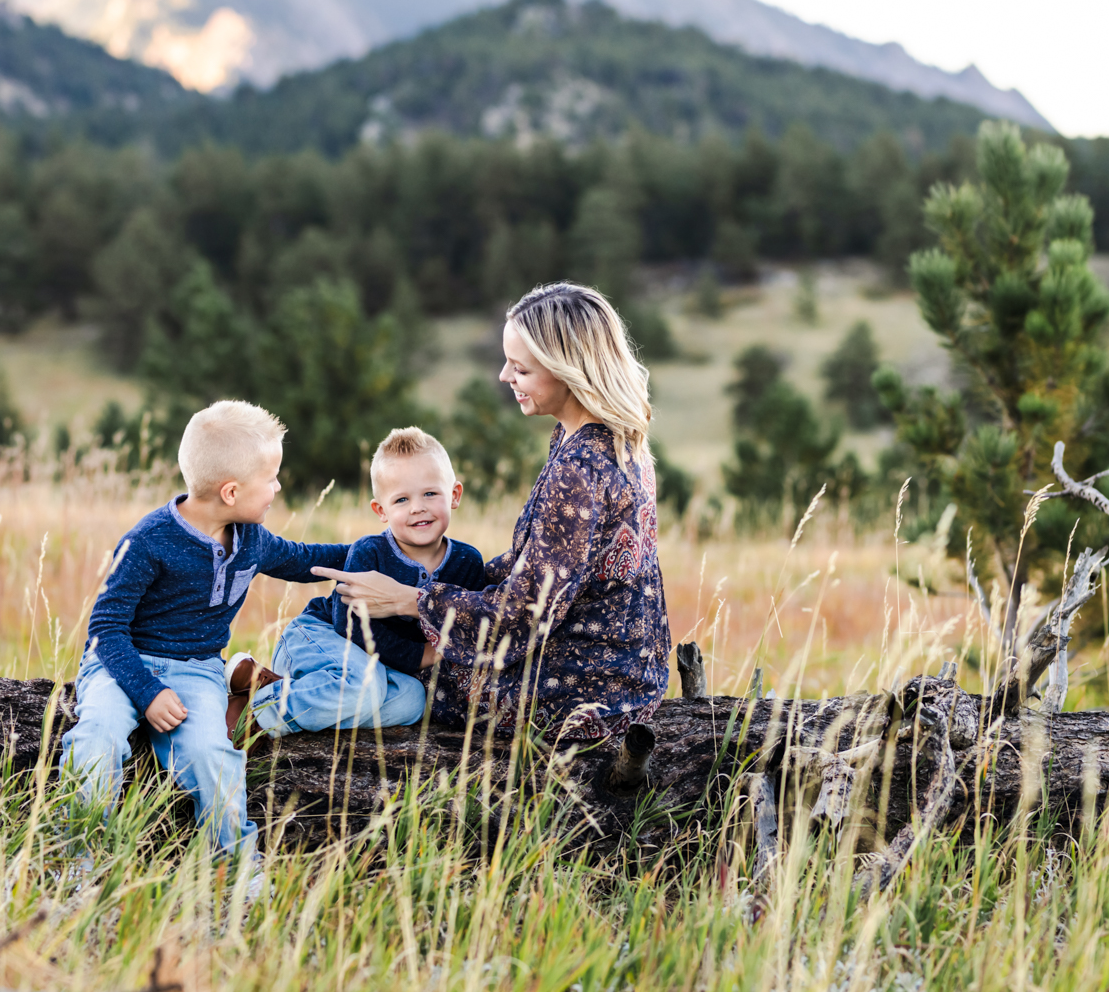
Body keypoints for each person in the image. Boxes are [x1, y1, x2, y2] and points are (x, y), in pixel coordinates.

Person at [314, 282, 669, 740]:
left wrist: (411, 599)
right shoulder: (616, 440)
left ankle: (266, 694)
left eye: (519, 367)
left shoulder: (578, 468)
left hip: (587, 687)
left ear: (568, 370)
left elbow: (524, 616)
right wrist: (452, 581)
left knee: (392, 667)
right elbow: (551, 565)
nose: (504, 376)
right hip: (632, 669)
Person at [60, 400, 347, 873]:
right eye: (272, 477)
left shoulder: (251, 540)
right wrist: (148, 692)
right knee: (97, 738)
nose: (277, 487)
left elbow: (306, 558)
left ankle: (238, 871)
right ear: (231, 491)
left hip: (196, 671)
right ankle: (77, 864)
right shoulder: (148, 541)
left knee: (212, 755)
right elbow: (105, 629)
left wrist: (383, 550)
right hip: (122, 664)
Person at [228, 427, 488, 740]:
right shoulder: (370, 552)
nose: (418, 507)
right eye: (402, 499)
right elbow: (348, 626)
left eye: (430, 493)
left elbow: (467, 623)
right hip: (320, 637)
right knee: (367, 687)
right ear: (381, 511)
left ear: (455, 495)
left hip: (372, 666)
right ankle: (256, 712)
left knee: (413, 701)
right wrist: (421, 656)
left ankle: (275, 687)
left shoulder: (468, 562)